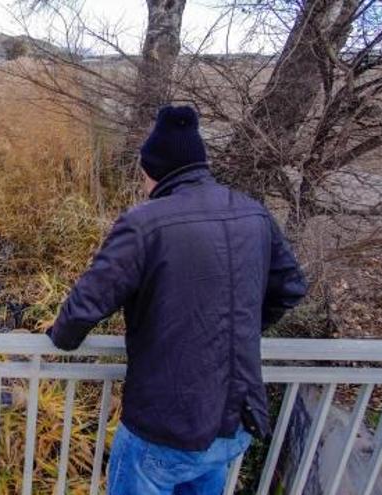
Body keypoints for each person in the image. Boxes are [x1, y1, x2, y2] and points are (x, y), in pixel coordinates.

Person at [46, 105, 307, 495]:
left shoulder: (145, 222)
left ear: (154, 170)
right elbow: (291, 287)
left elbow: (88, 302)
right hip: (233, 421)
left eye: (143, 173)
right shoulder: (254, 214)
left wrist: (60, 338)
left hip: (165, 427)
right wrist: (242, 327)